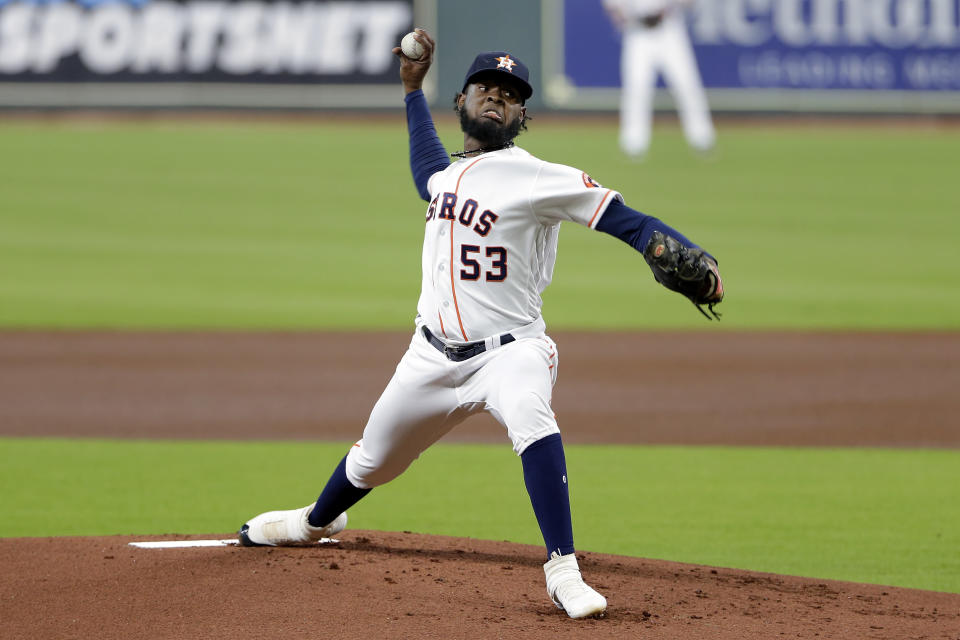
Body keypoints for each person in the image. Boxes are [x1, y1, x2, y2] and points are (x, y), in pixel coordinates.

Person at [237, 28, 723, 620]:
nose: (496, 95)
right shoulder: (449, 177)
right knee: (370, 462)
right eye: (485, 86)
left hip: (511, 352)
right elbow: (427, 175)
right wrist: (411, 91)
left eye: (510, 93)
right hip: (430, 358)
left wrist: (686, 255)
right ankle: (312, 524)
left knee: (529, 414)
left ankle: (563, 570)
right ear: (462, 102)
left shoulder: (539, 176)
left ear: (522, 115)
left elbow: (627, 219)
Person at [603, 0, 716, 157]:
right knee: (636, 89)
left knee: (687, 86)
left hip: (668, 28)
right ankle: (633, 144)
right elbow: (614, 7)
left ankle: (702, 139)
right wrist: (621, 16)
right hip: (638, 31)